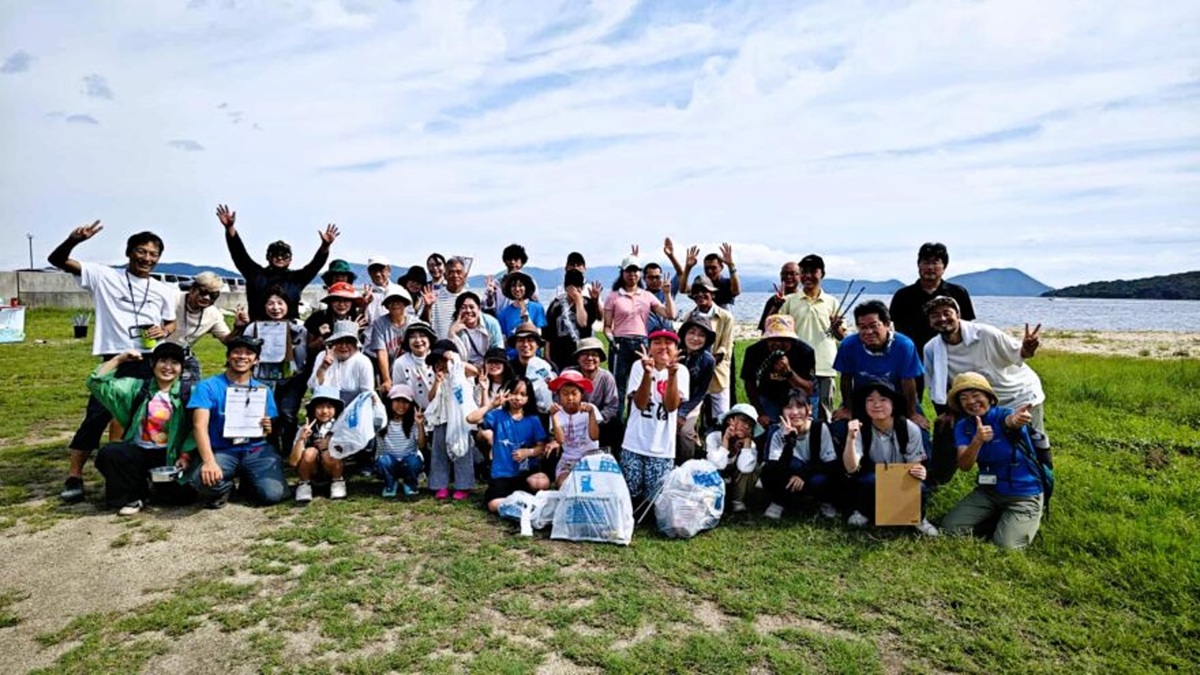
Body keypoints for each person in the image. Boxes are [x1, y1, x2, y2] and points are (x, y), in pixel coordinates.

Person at [48, 221, 177, 503]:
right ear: (129, 252)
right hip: (115, 359)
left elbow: (170, 321)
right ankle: (74, 476)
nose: (147, 258)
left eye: (153, 254)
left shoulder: (164, 289)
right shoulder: (104, 276)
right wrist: (73, 240)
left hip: (148, 360)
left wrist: (164, 331)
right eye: (141, 252)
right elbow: (57, 260)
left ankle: (130, 472)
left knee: (144, 419)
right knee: (96, 417)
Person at [923, 296, 1052, 466]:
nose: (942, 319)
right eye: (935, 315)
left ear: (958, 314)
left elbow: (1018, 353)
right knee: (994, 444)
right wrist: (947, 411)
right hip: (982, 404)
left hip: (1019, 395)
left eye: (947, 313)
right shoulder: (932, 349)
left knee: (1031, 442)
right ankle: (997, 486)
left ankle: (1042, 483)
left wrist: (1028, 349)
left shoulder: (985, 333)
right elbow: (936, 385)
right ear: (929, 321)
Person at [938, 372, 1046, 549]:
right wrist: (977, 440)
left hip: (1023, 494)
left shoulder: (1004, 414)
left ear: (989, 397)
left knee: (1007, 547)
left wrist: (1017, 420)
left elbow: (1010, 422)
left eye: (976, 395)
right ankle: (1002, 518)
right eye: (964, 398)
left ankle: (1027, 515)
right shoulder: (963, 427)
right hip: (989, 492)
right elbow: (964, 466)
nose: (971, 401)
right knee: (949, 528)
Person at [88, 343, 196, 515]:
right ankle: (134, 496)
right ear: (152, 364)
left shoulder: (189, 393)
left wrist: (186, 454)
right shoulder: (135, 387)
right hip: (139, 451)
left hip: (172, 457)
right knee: (111, 453)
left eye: (175, 362)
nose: (168, 367)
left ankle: (158, 488)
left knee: (178, 498)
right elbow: (96, 382)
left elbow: (195, 429)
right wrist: (118, 359)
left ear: (181, 368)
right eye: (163, 361)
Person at [189, 335, 288, 508]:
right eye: (236, 352)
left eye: (249, 353)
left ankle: (250, 481)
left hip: (255, 449)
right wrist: (209, 462)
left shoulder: (262, 390)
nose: (242, 356)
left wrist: (267, 427)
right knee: (200, 480)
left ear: (256, 360)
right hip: (223, 450)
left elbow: (266, 431)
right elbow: (199, 426)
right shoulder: (207, 386)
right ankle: (226, 488)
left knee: (272, 495)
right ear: (228, 357)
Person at [841, 378, 938, 536]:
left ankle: (918, 517)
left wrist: (919, 471)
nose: (876, 404)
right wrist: (850, 439)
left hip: (902, 477)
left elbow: (914, 466)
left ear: (893, 404)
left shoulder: (909, 429)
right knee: (867, 481)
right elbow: (850, 468)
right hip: (873, 476)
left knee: (919, 486)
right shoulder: (861, 429)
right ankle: (864, 511)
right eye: (870, 400)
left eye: (883, 399)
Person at [215, 203, 338, 321]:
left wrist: (325, 246)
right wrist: (230, 228)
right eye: (275, 254)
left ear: (290, 259)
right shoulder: (255, 274)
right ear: (267, 257)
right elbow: (239, 254)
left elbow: (315, 265)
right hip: (258, 330)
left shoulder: (297, 278)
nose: (280, 258)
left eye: (284, 255)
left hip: (291, 332)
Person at [889, 242, 977, 382]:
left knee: (953, 396)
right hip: (913, 355)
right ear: (918, 266)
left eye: (935, 262)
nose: (930, 267)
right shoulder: (903, 295)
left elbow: (967, 327)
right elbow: (896, 329)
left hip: (951, 355)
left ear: (944, 267)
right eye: (925, 262)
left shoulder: (958, 293)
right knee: (908, 398)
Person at [833, 300, 926, 431]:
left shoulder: (904, 345)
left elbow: (908, 381)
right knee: (840, 429)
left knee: (919, 432)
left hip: (898, 398)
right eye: (862, 327)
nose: (868, 332)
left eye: (874, 326)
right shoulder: (849, 345)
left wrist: (911, 413)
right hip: (863, 399)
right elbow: (846, 378)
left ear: (887, 324)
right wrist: (848, 409)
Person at [621, 330, 688, 504]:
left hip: (663, 446)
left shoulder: (681, 371)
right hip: (634, 442)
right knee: (631, 492)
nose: (663, 347)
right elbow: (640, 404)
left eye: (668, 343)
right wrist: (647, 373)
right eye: (657, 342)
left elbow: (671, 406)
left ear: (676, 348)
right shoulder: (638, 366)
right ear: (650, 347)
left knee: (654, 498)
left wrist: (672, 375)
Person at [238, 287, 308, 450]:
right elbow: (245, 351)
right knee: (268, 413)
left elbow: (304, 355)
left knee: (287, 413)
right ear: (263, 306)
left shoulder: (299, 327)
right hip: (263, 377)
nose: (275, 308)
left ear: (288, 305)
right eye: (270, 304)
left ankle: (291, 447)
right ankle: (271, 448)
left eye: (280, 303)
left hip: (292, 378)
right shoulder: (254, 327)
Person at [603, 253, 674, 413]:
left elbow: (670, 314)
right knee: (619, 387)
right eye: (629, 271)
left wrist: (668, 294)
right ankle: (618, 426)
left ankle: (635, 421)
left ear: (640, 273)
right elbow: (607, 326)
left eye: (635, 271)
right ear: (622, 273)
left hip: (642, 343)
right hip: (620, 342)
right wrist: (611, 339)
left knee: (642, 384)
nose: (632, 274)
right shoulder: (613, 297)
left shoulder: (646, 295)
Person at [468, 377, 551, 513]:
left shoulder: (533, 419)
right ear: (506, 394)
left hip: (524, 473)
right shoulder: (497, 415)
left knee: (542, 482)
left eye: (523, 394)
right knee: (493, 504)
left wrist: (528, 452)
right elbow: (471, 419)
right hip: (502, 475)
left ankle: (521, 504)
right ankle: (524, 508)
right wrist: (491, 405)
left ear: (528, 398)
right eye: (513, 393)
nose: (517, 398)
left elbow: (541, 447)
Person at [779, 254, 845, 420]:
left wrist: (836, 327)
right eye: (804, 271)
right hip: (796, 368)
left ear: (822, 273)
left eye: (813, 271)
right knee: (795, 411)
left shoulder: (832, 302)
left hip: (825, 367)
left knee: (824, 414)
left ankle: (823, 444)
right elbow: (778, 331)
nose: (807, 276)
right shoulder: (789, 301)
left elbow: (841, 336)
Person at [759, 392, 839, 520]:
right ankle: (779, 501)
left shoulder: (819, 428)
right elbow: (773, 469)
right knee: (772, 473)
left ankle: (824, 501)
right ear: (781, 411)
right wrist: (789, 444)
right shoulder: (777, 432)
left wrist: (803, 475)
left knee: (824, 478)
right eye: (789, 408)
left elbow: (830, 463)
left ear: (810, 409)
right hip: (787, 475)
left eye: (800, 407)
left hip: (812, 474)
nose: (795, 412)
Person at [741, 315, 815, 441]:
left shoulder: (805, 351)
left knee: (803, 433)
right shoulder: (754, 351)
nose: (778, 344)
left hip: (796, 396)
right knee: (769, 432)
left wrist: (789, 373)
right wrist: (760, 412)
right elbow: (749, 383)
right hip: (768, 394)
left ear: (791, 339)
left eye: (784, 340)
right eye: (773, 339)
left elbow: (809, 390)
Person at [424, 340, 475, 500]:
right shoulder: (437, 378)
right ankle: (440, 485)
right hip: (442, 419)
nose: (441, 364)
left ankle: (463, 485)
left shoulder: (460, 373)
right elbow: (430, 398)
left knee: (462, 451)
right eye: (437, 361)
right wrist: (437, 382)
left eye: (443, 360)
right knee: (439, 453)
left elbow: (475, 371)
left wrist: (454, 359)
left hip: (460, 420)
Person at [165, 271, 235, 383]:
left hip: (184, 354)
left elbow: (228, 340)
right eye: (203, 292)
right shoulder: (171, 299)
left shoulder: (214, 314)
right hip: (158, 352)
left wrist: (238, 327)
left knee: (194, 389)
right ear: (192, 289)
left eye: (213, 295)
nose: (207, 298)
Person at [685, 276, 735, 420]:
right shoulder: (689, 317)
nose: (700, 295)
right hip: (694, 373)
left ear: (712, 294)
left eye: (704, 291)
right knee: (690, 414)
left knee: (721, 416)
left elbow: (725, 348)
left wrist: (708, 365)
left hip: (718, 373)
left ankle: (719, 440)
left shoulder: (726, 317)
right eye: (696, 292)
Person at [289, 386, 347, 503]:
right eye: (320, 407)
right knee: (310, 452)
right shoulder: (304, 429)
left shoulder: (341, 428)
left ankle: (337, 481)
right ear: (313, 409)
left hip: (332, 468)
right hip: (312, 470)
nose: (324, 411)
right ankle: (304, 484)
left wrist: (332, 443)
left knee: (331, 453)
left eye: (329, 407)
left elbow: (348, 453)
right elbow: (293, 462)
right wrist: (301, 439)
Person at [702, 403, 762, 513]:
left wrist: (747, 441)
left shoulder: (750, 444)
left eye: (750, 424)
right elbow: (716, 465)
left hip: (735, 484)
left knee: (755, 467)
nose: (747, 426)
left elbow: (745, 468)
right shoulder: (713, 437)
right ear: (731, 420)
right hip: (715, 484)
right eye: (743, 421)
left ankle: (737, 501)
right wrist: (726, 439)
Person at [563, 338, 621, 451]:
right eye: (585, 354)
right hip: (571, 419)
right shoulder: (569, 373)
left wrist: (594, 419)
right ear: (578, 358)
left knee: (616, 425)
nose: (590, 358)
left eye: (594, 355)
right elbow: (560, 400)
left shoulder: (606, 377)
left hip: (598, 421)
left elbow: (612, 407)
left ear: (600, 359)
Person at [674, 313, 716, 463]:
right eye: (691, 332)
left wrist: (683, 412)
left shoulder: (708, 360)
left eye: (701, 335)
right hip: (667, 398)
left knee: (685, 432)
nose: (695, 338)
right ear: (684, 333)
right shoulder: (673, 351)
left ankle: (686, 464)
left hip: (692, 401)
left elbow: (701, 392)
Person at [546, 371, 600, 487]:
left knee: (588, 485)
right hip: (568, 459)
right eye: (565, 394)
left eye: (574, 393)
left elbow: (594, 436)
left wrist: (591, 414)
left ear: (581, 394)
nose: (570, 398)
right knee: (564, 483)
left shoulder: (590, 409)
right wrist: (554, 416)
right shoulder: (557, 413)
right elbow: (560, 440)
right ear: (559, 396)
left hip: (589, 457)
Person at [543, 269, 599, 371]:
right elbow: (548, 333)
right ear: (565, 287)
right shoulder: (555, 305)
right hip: (559, 355)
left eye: (578, 287)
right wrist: (547, 355)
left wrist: (578, 300)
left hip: (581, 354)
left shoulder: (588, 304)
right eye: (572, 287)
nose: (574, 291)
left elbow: (583, 323)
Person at [304, 282, 365, 375]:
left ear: (352, 303)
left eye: (346, 300)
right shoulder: (317, 318)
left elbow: (360, 349)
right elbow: (310, 348)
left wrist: (353, 331)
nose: (341, 304)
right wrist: (321, 338)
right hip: (322, 366)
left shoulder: (358, 320)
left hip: (349, 368)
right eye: (337, 300)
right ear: (330, 301)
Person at [308, 321, 375, 406]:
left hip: (354, 407)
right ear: (334, 343)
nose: (343, 346)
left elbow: (367, 393)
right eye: (339, 341)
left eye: (348, 342)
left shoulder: (363, 361)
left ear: (355, 344)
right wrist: (323, 368)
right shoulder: (322, 356)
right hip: (327, 407)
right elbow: (313, 388)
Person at [376, 384, 426, 497]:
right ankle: (390, 484)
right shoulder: (382, 421)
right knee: (383, 461)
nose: (401, 405)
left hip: (408, 461)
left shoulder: (413, 423)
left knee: (413, 461)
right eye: (397, 401)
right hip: (390, 462)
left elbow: (422, 445)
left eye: (405, 402)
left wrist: (419, 425)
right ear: (390, 402)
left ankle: (410, 484)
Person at [368, 288, 413, 392]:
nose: (394, 304)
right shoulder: (380, 323)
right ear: (386, 306)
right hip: (390, 366)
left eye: (398, 301)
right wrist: (387, 379)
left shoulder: (413, 322)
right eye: (391, 302)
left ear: (405, 304)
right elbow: (381, 352)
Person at [448, 291, 504, 366]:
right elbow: (453, 356)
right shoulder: (455, 326)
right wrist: (452, 333)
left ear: (479, 308)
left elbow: (498, 350)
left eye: (471, 307)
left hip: (490, 364)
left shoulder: (491, 323)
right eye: (463, 308)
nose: (468, 311)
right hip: (466, 366)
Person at [390, 321, 437, 409]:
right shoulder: (400, 363)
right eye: (412, 337)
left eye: (422, 335)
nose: (418, 340)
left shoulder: (439, 359)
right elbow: (400, 393)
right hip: (415, 412)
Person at [421, 257, 469, 339]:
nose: (455, 275)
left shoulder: (470, 297)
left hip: (464, 348)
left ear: (465, 275)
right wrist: (427, 307)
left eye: (459, 272)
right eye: (451, 272)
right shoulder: (433, 296)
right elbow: (423, 324)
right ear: (445, 275)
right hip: (440, 347)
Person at [757, 262, 800, 332]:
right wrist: (776, 305)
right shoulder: (773, 300)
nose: (788, 277)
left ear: (800, 276)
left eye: (793, 274)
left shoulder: (803, 299)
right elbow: (764, 327)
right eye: (785, 274)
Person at [696, 243, 740, 309]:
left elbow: (736, 291)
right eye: (707, 268)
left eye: (713, 268)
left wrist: (731, 265)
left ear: (721, 267)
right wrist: (688, 268)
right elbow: (683, 290)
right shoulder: (702, 284)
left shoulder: (726, 283)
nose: (709, 271)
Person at [363, 256, 406, 324]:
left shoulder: (399, 291)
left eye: (381, 270)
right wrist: (364, 305)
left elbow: (409, 315)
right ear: (369, 273)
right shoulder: (365, 293)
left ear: (389, 270)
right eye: (374, 270)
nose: (377, 274)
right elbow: (361, 320)